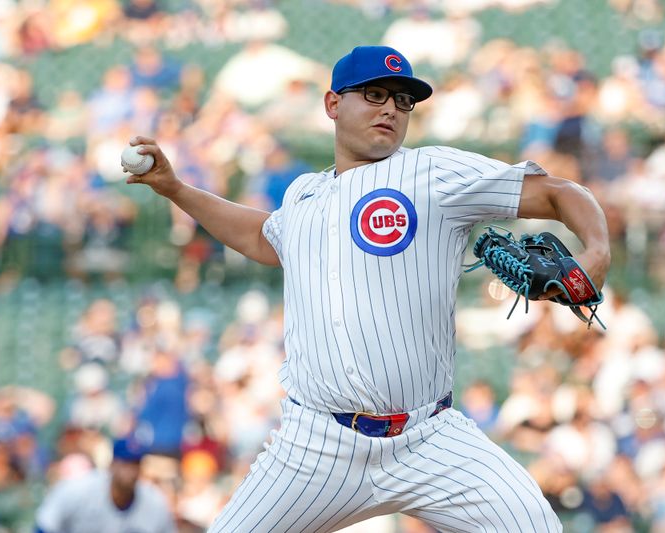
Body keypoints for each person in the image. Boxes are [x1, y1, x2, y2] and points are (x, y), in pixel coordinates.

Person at [125, 45, 610, 532]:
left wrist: (596, 252)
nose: (390, 109)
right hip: (315, 444)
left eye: (402, 102)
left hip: (428, 437)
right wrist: (176, 190)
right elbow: (261, 236)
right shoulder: (304, 194)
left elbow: (558, 192)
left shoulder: (432, 172)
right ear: (333, 104)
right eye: (375, 94)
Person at [34, 437, 176, 533]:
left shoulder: (154, 502)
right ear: (112, 465)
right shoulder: (78, 490)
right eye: (125, 464)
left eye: (135, 464)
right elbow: (44, 527)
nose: (131, 471)